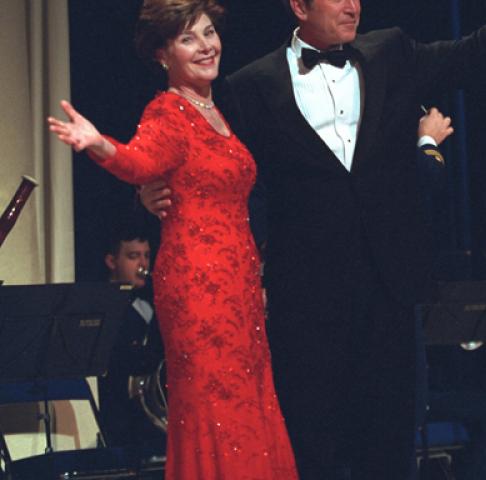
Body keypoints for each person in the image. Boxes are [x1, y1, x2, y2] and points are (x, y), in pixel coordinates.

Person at [141, 0, 486, 478]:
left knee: (389, 450)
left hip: (389, 296)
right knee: (316, 452)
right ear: (299, 6)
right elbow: (207, 159)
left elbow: (473, 52)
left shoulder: (392, 52)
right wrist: (149, 191)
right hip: (306, 308)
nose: (352, 5)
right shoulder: (250, 87)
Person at [48, 1, 299, 478]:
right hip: (199, 287)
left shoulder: (216, 112)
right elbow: (139, 162)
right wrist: (97, 142)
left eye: (209, 33)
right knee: (215, 405)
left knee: (248, 399)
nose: (206, 46)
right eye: (189, 39)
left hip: (240, 286)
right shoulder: (167, 111)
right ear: (163, 54)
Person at [99, 219, 166, 458]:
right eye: (133, 256)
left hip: (148, 408)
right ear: (111, 261)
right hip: (121, 415)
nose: (143, 264)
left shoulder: (147, 302)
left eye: (147, 256)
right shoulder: (103, 307)